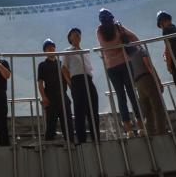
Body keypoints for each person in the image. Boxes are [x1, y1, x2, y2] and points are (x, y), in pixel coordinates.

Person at [95, 9, 144, 137]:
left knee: (121, 97)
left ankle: (128, 130)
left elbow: (104, 46)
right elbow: (134, 37)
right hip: (125, 63)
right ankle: (141, 127)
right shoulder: (117, 27)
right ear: (111, 18)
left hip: (111, 67)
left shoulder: (99, 31)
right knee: (132, 94)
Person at [64, 27, 100, 144]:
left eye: (78, 34)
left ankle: (96, 138)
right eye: (74, 34)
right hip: (77, 80)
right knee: (80, 111)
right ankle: (82, 141)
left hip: (88, 80)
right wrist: (71, 84)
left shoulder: (85, 52)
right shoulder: (68, 51)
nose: (77, 35)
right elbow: (64, 69)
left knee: (93, 109)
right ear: (70, 38)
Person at [127, 39, 168, 136]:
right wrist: (158, 81)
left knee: (148, 112)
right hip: (147, 79)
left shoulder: (128, 57)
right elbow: (148, 65)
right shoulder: (141, 50)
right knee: (158, 108)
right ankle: (161, 133)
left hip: (138, 83)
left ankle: (150, 135)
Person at [37, 39, 73, 143]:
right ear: (45, 51)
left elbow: (68, 80)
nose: (51, 49)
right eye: (49, 48)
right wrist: (44, 97)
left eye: (53, 47)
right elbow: (40, 83)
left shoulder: (61, 64)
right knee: (51, 124)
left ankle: (71, 144)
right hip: (50, 97)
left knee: (68, 123)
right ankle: (48, 146)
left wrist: (73, 91)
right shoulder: (42, 65)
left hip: (63, 95)